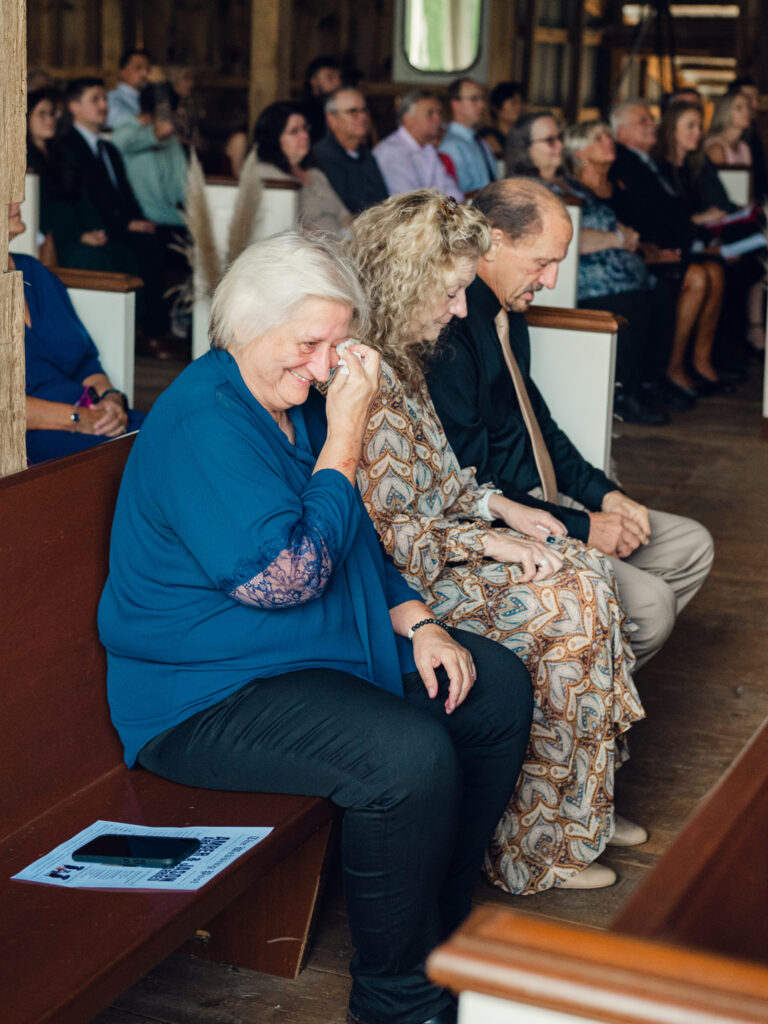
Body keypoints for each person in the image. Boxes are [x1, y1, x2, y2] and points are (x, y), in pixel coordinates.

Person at [98, 231, 533, 1024]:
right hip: (205, 692)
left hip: (312, 651)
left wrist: (419, 618)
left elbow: (349, 527)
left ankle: (438, 927)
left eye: (339, 343)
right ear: (245, 326)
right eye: (310, 342)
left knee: (493, 685)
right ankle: (395, 996)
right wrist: (347, 435)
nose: (329, 365)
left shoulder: (284, 402)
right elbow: (285, 575)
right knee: (406, 754)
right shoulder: (208, 420)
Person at [348, 189, 646, 893]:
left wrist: (501, 508)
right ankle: (530, 846)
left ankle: (581, 812)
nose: (461, 310)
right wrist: (487, 543)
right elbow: (386, 531)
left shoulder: (408, 356)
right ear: (404, 281)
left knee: (586, 578)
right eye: (451, 292)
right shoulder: (363, 373)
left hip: (447, 544)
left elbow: (446, 480)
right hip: (400, 581)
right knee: (568, 608)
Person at [425, 178, 714, 673]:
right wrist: (583, 528)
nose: (553, 280)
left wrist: (605, 496)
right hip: (514, 517)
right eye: (543, 261)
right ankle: (577, 692)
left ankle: (590, 674)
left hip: (555, 500)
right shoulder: (451, 330)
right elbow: (470, 481)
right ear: (494, 241)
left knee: (692, 545)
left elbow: (542, 425)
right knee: (649, 606)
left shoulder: (508, 312)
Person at [7, 202, 144, 465]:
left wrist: (111, 399)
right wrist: (76, 419)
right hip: (30, 434)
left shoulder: (34, 272)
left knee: (170, 434)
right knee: (132, 459)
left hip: (88, 414)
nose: (18, 202)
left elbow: (84, 361)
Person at [608, 100, 727, 398]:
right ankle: (671, 368)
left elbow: (671, 213)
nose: (652, 124)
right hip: (646, 251)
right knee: (699, 276)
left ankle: (695, 362)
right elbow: (647, 219)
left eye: (652, 118)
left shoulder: (646, 163)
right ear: (622, 133)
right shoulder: (626, 164)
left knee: (714, 271)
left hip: (670, 244)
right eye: (643, 120)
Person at [53, 77, 176, 357]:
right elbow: (89, 200)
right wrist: (126, 224)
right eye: (95, 99)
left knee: (164, 237)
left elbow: (124, 195)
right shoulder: (68, 147)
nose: (104, 105)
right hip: (99, 226)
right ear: (74, 106)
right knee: (148, 249)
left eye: (105, 99)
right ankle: (151, 334)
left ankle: (155, 328)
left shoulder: (108, 148)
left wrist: (139, 219)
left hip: (121, 222)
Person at [252, 101, 352, 235]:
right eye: (294, 131)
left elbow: (345, 216)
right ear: (274, 138)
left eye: (305, 128)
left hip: (343, 244)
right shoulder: (267, 174)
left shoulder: (316, 175)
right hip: (310, 250)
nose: (305, 136)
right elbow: (285, 228)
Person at [111, 83, 188, 231]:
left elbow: (182, 180)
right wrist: (155, 134)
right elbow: (124, 144)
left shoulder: (171, 140)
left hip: (175, 217)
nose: (178, 115)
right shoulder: (125, 131)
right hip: (144, 219)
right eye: (171, 112)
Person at [373, 89, 464, 201]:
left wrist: (450, 212)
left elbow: (453, 192)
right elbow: (409, 202)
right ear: (408, 119)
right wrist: (448, 211)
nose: (438, 119)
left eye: (439, 113)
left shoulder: (427, 148)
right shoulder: (391, 151)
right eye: (430, 113)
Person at [312, 87, 388, 216]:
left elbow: (382, 201)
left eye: (364, 110)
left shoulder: (366, 155)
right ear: (332, 119)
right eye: (353, 111)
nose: (362, 116)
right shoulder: (321, 157)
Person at [438, 78, 497, 193]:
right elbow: (453, 197)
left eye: (482, 99)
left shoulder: (480, 141)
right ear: (455, 104)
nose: (482, 105)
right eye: (474, 99)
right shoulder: (450, 146)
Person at [705, 91, 753, 166]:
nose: (746, 111)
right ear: (725, 111)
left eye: (748, 107)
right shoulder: (716, 148)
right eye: (739, 108)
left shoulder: (744, 147)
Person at [302, 55, 343, 143]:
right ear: (313, 81)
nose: (338, 82)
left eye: (339, 77)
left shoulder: (340, 108)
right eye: (330, 77)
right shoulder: (303, 112)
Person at [107, 49, 152, 129]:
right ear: (123, 72)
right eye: (138, 68)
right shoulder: (113, 98)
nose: (145, 74)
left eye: (148, 69)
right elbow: (114, 121)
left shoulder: (148, 96)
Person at [480, 81, 526, 158]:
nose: (519, 107)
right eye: (513, 103)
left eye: (521, 103)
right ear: (496, 107)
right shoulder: (488, 137)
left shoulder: (523, 135)